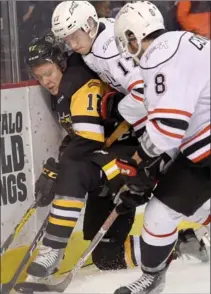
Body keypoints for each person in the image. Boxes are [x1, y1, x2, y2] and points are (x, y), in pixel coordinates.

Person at [23, 33, 155, 282]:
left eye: (48, 72)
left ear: (60, 63)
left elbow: (89, 141)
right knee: (106, 256)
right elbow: (80, 138)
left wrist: (58, 170)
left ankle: (53, 249)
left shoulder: (77, 83)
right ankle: (173, 245)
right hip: (106, 162)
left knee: (72, 168)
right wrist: (57, 165)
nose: (45, 81)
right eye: (39, 76)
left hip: (130, 159)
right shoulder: (64, 86)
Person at [113, 1, 211, 293]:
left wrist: (139, 162)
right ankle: (153, 278)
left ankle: (153, 279)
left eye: (126, 41)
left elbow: (168, 128)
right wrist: (150, 165)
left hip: (205, 147)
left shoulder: (158, 55)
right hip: (201, 147)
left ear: (132, 36)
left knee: (161, 212)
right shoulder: (182, 41)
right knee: (170, 210)